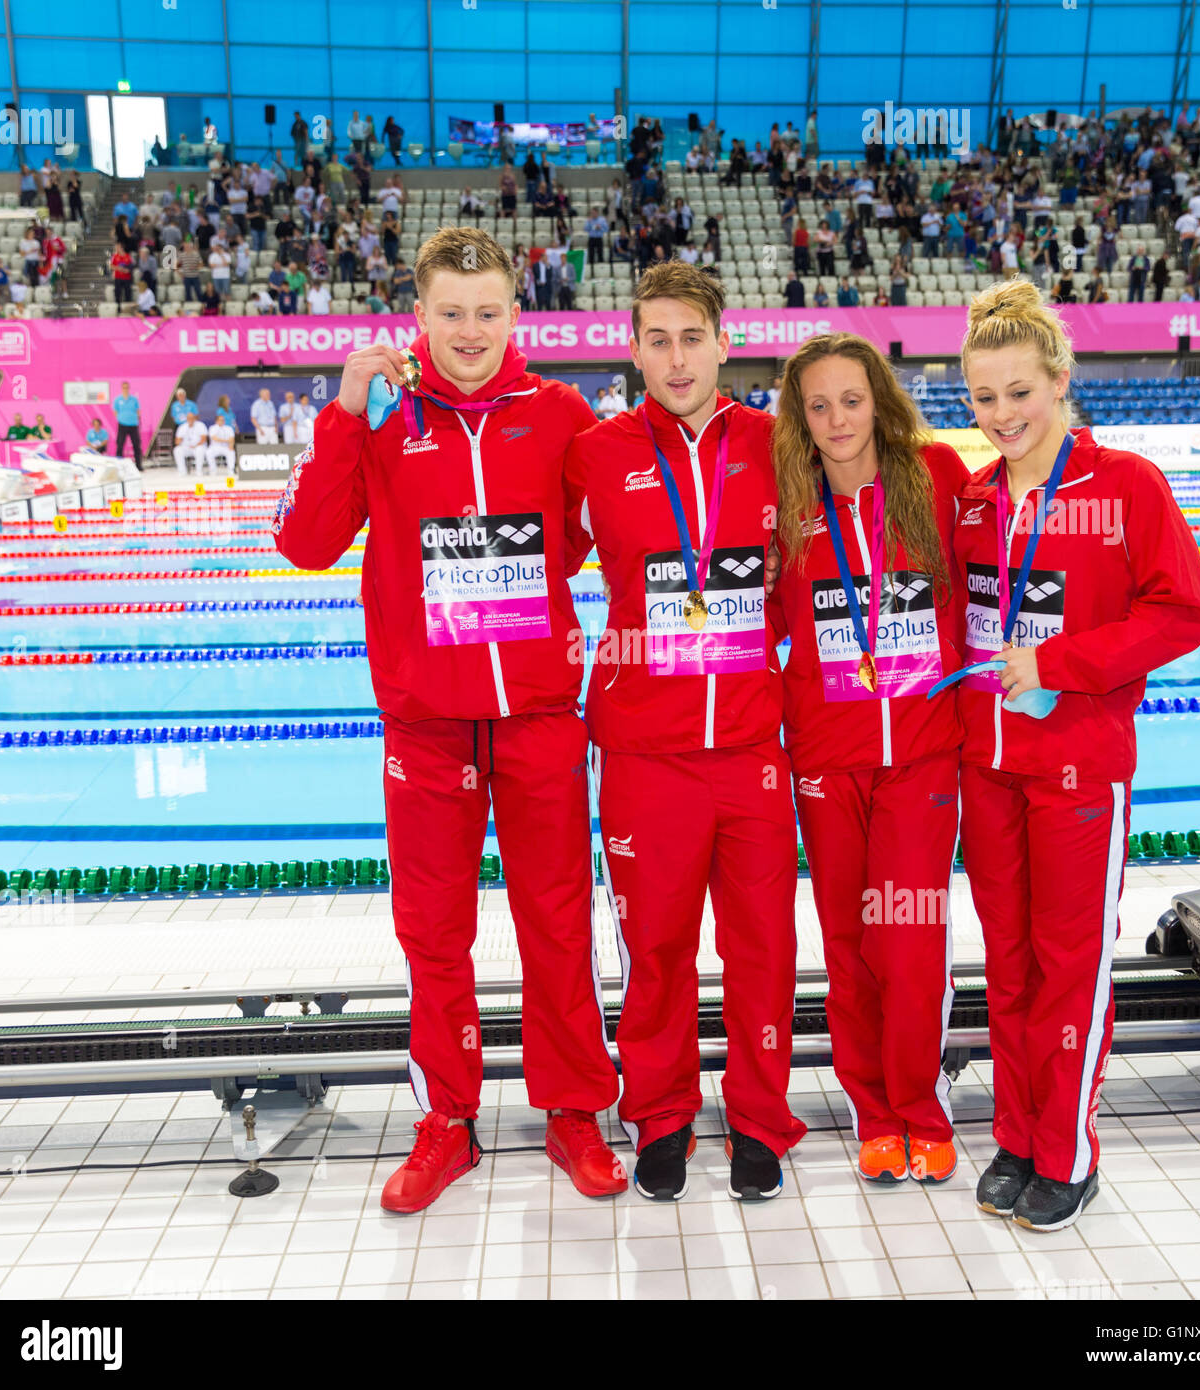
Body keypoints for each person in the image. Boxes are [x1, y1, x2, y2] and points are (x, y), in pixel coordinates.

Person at [271, 226, 624, 1213]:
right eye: (451, 313)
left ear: (517, 316)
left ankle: (573, 1111)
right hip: (426, 725)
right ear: (417, 315)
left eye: (488, 312)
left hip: (539, 719)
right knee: (433, 931)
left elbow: (607, 541)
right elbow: (305, 544)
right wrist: (343, 416)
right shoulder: (380, 416)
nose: (470, 332)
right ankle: (446, 1121)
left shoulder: (558, 414)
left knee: (556, 922)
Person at [953, 279, 1200, 1232]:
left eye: (1020, 392)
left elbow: (1183, 614)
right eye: (984, 398)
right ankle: (1016, 1136)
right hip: (987, 766)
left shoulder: (1126, 486)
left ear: (1061, 382)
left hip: (1080, 763)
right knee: (1011, 963)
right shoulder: (974, 499)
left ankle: (1067, 1151)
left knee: (1070, 965)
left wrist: (1058, 660)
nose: (1003, 415)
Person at [563, 261, 804, 1203]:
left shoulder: (777, 442)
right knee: (654, 951)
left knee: (761, 950)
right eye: (656, 339)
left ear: (723, 342)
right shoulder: (596, 452)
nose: (675, 357)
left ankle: (759, 1120)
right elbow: (532, 560)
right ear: (633, 348)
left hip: (750, 749)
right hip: (644, 752)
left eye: (691, 337)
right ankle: (660, 1114)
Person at [769, 333, 969, 1185]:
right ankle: (874, 1108)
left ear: (879, 401)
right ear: (799, 420)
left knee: (912, 939)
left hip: (921, 755)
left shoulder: (939, 482)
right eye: (818, 405)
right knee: (847, 940)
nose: (837, 418)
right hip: (827, 755)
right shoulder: (788, 504)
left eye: (851, 399)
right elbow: (763, 623)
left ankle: (923, 1105)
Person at [112, 382, 143, 470]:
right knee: (120, 445)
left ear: (129, 388)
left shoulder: (134, 399)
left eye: (127, 387)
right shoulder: (118, 399)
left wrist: (136, 418)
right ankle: (119, 466)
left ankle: (139, 465)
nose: (125, 389)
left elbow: (138, 411)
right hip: (122, 424)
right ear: (121, 388)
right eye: (124, 387)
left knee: (136, 445)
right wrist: (120, 418)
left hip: (133, 424)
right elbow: (115, 411)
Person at [173, 410, 209, 476]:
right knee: (177, 450)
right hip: (186, 447)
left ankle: (199, 471)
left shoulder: (200, 425)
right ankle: (182, 471)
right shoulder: (182, 427)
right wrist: (181, 438)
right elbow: (177, 442)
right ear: (186, 419)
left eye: (192, 418)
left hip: (198, 446)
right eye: (189, 418)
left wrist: (195, 445)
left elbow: (204, 439)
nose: (190, 419)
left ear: (195, 418)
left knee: (200, 450)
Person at [207, 410, 236, 474]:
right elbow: (214, 438)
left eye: (223, 420)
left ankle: (231, 470)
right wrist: (227, 440)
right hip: (215, 447)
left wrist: (231, 445)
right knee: (208, 452)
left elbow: (232, 439)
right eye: (220, 420)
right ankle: (213, 470)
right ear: (216, 421)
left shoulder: (229, 428)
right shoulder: (213, 428)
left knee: (231, 451)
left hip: (226, 447)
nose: (222, 421)